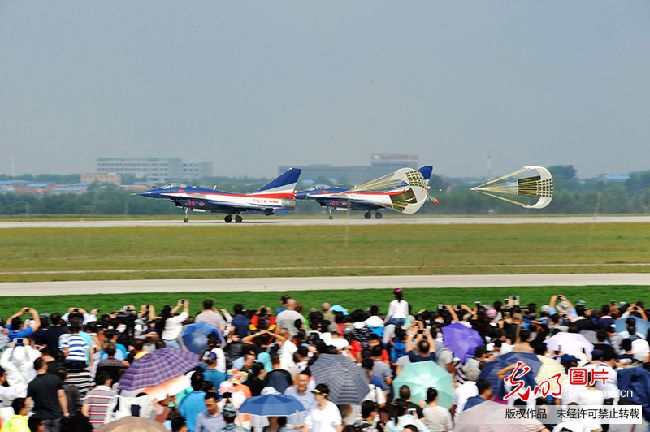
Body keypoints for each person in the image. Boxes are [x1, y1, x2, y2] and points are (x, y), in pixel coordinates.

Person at [27, 358, 69, 432]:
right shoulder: (55, 379)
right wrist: (65, 412)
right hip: (56, 415)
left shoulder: (32, 384)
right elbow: (61, 396)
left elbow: (27, 402)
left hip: (42, 417)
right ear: (44, 366)